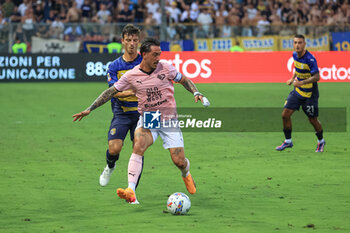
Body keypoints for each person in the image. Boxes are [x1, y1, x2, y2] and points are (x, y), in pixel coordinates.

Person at [72, 38, 210, 203]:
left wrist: (196, 93)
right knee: (138, 145)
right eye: (154, 55)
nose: (158, 58)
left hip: (168, 119)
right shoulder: (132, 75)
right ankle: (131, 190)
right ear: (144, 55)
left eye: (159, 54)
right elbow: (110, 92)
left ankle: (186, 174)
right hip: (150, 118)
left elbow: (184, 80)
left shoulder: (166, 68)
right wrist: (90, 108)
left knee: (179, 161)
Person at [93, 24, 143, 194]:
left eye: (135, 40)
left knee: (139, 148)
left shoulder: (145, 63)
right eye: (128, 40)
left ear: (139, 42)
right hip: (121, 113)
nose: (132, 43)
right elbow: (113, 92)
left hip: (142, 113)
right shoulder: (114, 66)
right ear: (122, 41)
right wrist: (134, 91)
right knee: (114, 148)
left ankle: (131, 189)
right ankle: (110, 166)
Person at [276, 34, 325, 152]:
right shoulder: (294, 55)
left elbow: (317, 77)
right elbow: (297, 68)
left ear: (304, 44)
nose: (297, 45)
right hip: (298, 91)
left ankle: (321, 141)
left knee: (312, 120)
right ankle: (288, 141)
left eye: (300, 43)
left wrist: (301, 82)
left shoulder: (310, 59)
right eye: (295, 43)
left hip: (310, 94)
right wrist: (292, 78)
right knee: (285, 115)